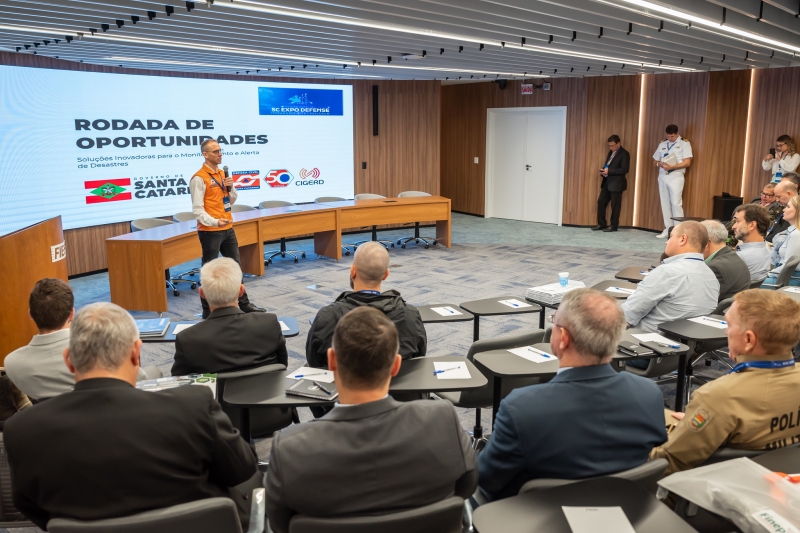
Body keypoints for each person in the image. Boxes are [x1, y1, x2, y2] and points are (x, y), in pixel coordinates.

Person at [4, 302, 257, 529]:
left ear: (69, 360)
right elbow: (242, 468)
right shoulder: (193, 406)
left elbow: (33, 509)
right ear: (136, 353)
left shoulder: (22, 431)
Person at [266, 307, 477, 533]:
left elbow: (279, 524)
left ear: (332, 360)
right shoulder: (443, 420)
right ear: (396, 365)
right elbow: (467, 487)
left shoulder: (289, 448)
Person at [477, 289, 666, 501]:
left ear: (563, 338)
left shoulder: (521, 408)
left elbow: (487, 479)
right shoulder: (649, 394)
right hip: (626, 508)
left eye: (554, 323)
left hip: (539, 513)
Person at [651, 290, 800, 475]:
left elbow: (668, 462)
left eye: (729, 325)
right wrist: (703, 421)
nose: (726, 331)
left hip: (711, 483)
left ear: (748, 339)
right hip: (780, 478)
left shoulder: (716, 397)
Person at [4, 278, 157, 400]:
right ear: (72, 314)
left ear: (31, 314)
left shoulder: (12, 364)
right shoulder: (100, 348)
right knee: (154, 372)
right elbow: (139, 379)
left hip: (51, 425)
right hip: (111, 412)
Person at [306, 241, 426, 368]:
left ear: (353, 271)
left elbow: (314, 361)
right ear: (386, 274)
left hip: (340, 381)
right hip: (396, 380)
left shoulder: (327, 316)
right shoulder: (410, 315)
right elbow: (418, 359)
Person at [171, 257, 287, 375]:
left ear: (202, 293)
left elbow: (179, 381)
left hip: (214, 388)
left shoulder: (187, 338)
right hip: (265, 387)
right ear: (241, 291)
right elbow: (282, 366)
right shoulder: (269, 323)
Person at [191, 139, 264, 319]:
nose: (220, 154)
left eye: (220, 150)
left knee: (236, 267)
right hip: (210, 231)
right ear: (205, 154)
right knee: (209, 271)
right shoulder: (199, 178)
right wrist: (215, 222)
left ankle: (244, 304)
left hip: (228, 228)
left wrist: (230, 188)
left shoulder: (222, 174)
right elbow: (197, 210)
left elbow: (230, 201)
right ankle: (207, 310)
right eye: (215, 151)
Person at [622, 221, 719, 333]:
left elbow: (629, 314)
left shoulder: (666, 272)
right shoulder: (711, 276)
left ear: (683, 239)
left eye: (671, 236)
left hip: (646, 337)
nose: (667, 242)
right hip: (687, 338)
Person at [653, 125, 693, 238]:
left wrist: (672, 167)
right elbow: (654, 161)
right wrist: (659, 164)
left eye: (672, 136)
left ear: (677, 134)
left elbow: (687, 163)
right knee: (665, 203)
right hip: (662, 176)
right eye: (668, 136)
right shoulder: (662, 144)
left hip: (676, 176)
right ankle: (668, 229)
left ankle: (679, 231)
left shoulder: (684, 143)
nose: (670, 138)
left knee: (676, 203)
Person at [700, 220, 751, 301]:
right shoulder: (734, 257)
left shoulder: (714, 268)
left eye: (695, 242)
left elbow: (702, 301)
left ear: (706, 243)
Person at [592, 135, 630, 232]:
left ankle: (614, 226)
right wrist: (604, 171)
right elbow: (608, 165)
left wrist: (609, 171)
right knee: (601, 202)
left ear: (618, 143)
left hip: (617, 184)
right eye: (609, 146)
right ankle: (601, 224)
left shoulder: (624, 154)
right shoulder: (610, 152)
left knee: (615, 206)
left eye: (612, 145)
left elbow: (624, 169)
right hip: (607, 182)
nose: (610, 147)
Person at [763, 195, 800, 287]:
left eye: (788, 207)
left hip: (788, 280)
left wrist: (767, 274)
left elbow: (787, 267)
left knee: (744, 285)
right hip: (781, 276)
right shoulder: (791, 231)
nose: (784, 210)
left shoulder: (796, 234)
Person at [732, 204, 772, 283]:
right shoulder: (767, 249)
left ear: (752, 225)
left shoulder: (741, 257)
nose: (733, 226)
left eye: (737, 221)